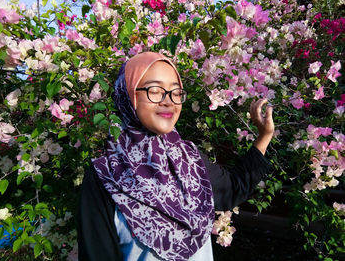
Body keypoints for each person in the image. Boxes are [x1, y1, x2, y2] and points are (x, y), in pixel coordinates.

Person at [77, 52, 274, 261]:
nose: (168, 101)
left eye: (176, 92)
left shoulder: (190, 160)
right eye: (155, 90)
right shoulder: (106, 176)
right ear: (128, 95)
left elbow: (231, 189)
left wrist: (264, 137)